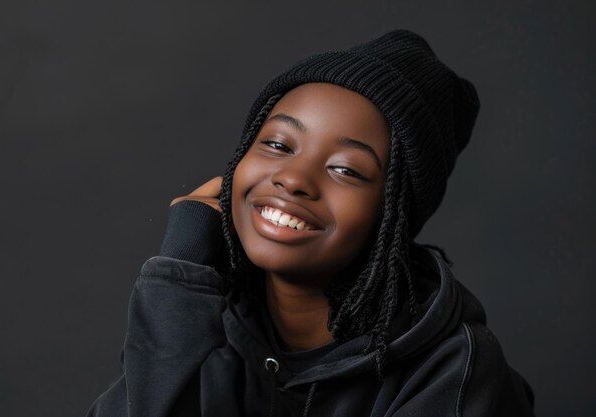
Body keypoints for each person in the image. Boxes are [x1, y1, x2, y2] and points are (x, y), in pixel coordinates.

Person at [87, 29, 535, 417]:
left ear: (392, 217)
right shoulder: (206, 317)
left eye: (346, 170)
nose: (293, 179)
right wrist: (180, 273)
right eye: (279, 145)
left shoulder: (454, 372)